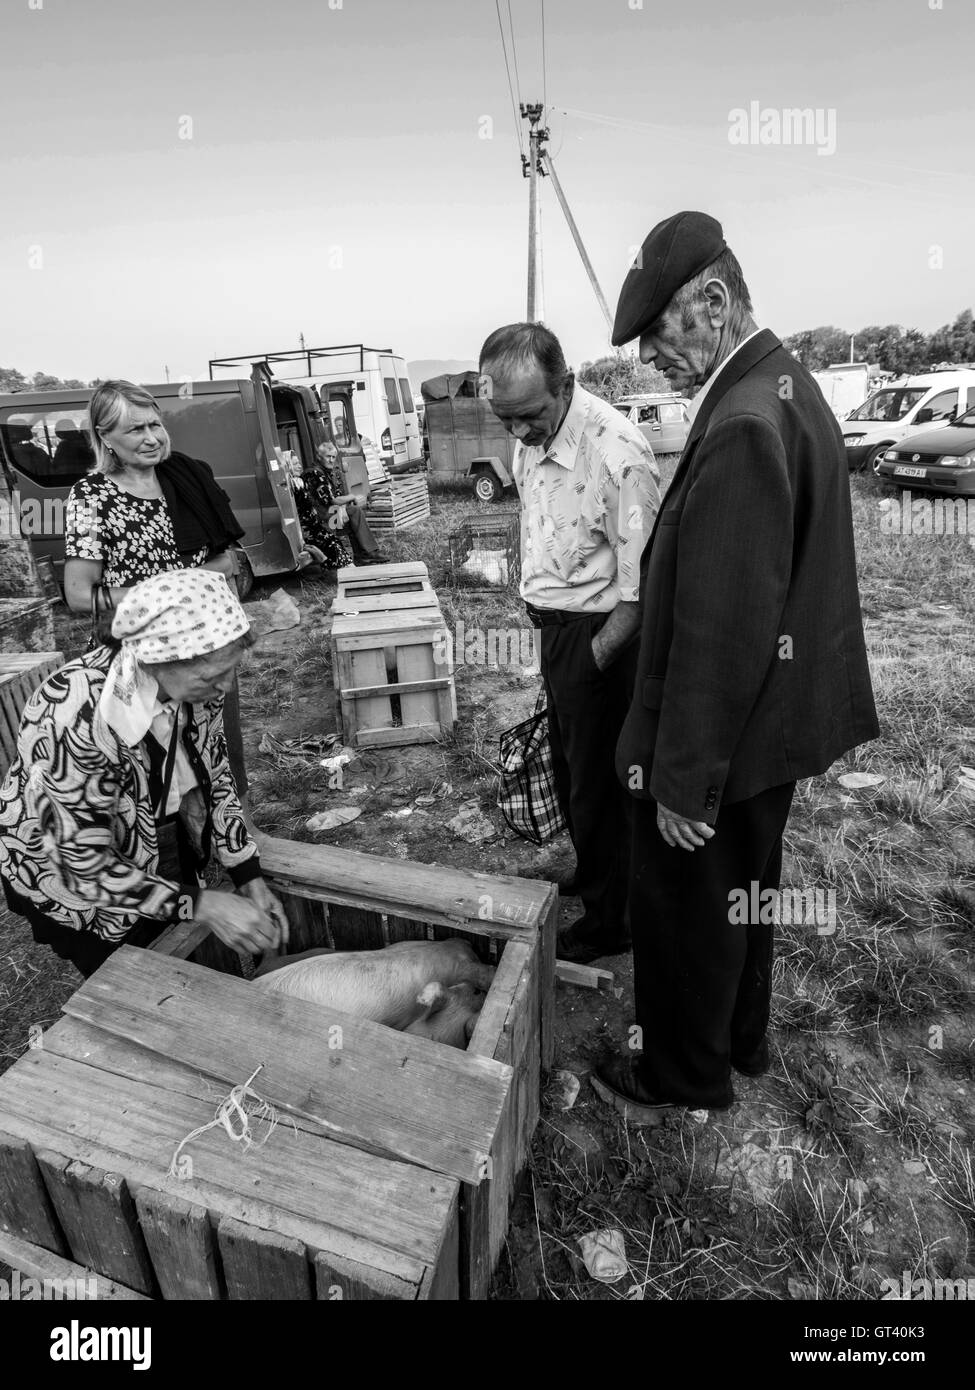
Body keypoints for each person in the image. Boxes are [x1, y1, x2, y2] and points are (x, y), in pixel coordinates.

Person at [592, 210, 879, 1117]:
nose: (646, 359)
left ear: (712, 301)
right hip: (766, 732)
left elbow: (723, 628)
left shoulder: (747, 417)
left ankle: (681, 1075)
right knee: (745, 899)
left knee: (686, 915)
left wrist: (683, 780)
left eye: (655, 333)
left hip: (725, 740)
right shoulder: (779, 384)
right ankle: (739, 1043)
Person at [0, 569, 289, 978]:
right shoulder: (73, 715)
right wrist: (201, 904)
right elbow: (84, 867)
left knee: (167, 929)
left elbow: (217, 776)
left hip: (151, 834)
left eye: (232, 671)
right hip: (73, 879)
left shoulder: (197, 691)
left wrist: (247, 875)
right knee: (130, 975)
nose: (225, 688)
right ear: (157, 660)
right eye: (212, 676)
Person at [478, 322, 660, 963]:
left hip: (602, 641)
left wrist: (590, 658)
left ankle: (615, 922)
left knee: (603, 786)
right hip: (561, 638)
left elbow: (642, 593)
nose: (519, 434)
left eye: (528, 416)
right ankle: (593, 878)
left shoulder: (618, 454)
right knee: (568, 771)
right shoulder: (532, 433)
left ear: (567, 384)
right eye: (506, 420)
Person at [62, 379, 250, 794]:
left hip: (203, 645)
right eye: (134, 430)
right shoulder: (92, 496)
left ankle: (236, 841)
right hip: (144, 658)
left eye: (154, 425)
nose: (151, 439)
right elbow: (79, 594)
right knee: (155, 771)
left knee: (214, 753)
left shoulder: (187, 477)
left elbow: (227, 561)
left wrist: (184, 589)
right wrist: (169, 593)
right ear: (104, 437)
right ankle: (172, 854)